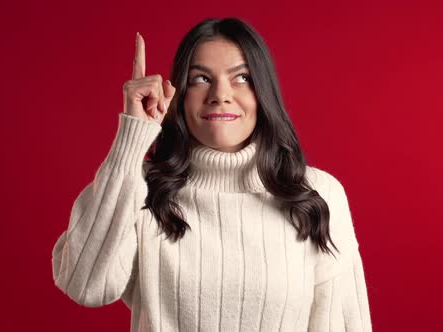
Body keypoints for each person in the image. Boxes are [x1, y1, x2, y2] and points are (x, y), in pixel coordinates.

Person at [51, 17, 372, 331]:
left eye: (242, 77)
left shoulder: (317, 194)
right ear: (180, 95)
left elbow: (342, 324)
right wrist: (131, 139)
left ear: (264, 93)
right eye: (201, 79)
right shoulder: (143, 189)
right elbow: (85, 284)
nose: (220, 94)